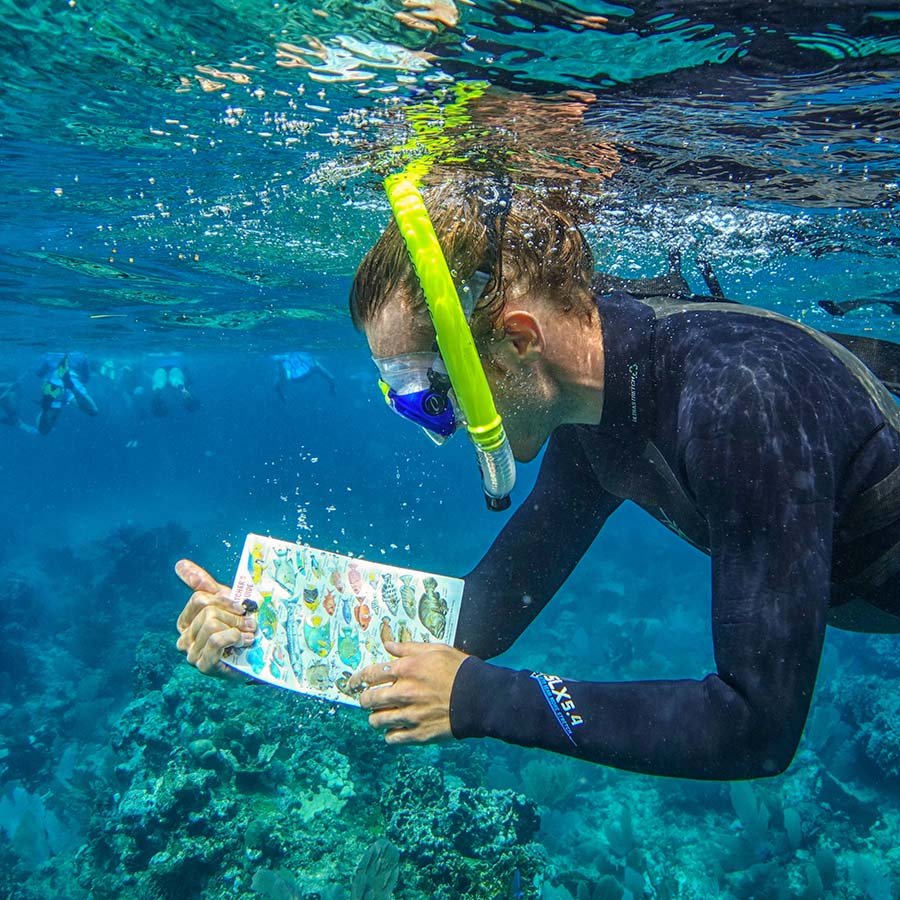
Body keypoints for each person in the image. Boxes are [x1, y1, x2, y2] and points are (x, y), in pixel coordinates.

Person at [176, 178, 900, 780]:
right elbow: (476, 618)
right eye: (406, 398)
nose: (440, 422)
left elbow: (756, 725)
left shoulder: (740, 401)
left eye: (433, 387)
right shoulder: (597, 414)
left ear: (519, 338)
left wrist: (489, 703)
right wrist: (261, 626)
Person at [35, 352, 98, 435]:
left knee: (44, 429)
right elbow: (85, 377)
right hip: (67, 380)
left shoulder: (49, 357)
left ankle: (47, 405)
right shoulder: (81, 357)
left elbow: (41, 372)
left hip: (55, 382)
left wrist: (39, 372)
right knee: (92, 411)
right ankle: (70, 386)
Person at [271, 351, 337, 400]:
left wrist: (282, 396)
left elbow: (277, 385)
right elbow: (331, 378)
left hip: (297, 377)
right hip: (299, 376)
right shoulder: (314, 365)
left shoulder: (314, 365)